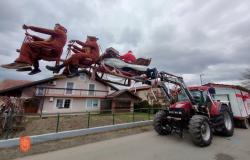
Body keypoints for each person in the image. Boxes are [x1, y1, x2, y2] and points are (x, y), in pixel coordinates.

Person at [1, 24, 67, 75]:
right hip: (51, 52)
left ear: (60, 27)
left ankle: (23, 62)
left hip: (51, 49)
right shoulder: (56, 37)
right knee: (34, 54)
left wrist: (30, 27)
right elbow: (45, 41)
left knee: (27, 45)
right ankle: (33, 68)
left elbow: (44, 30)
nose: (54, 28)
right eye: (54, 27)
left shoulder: (60, 32)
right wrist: (32, 36)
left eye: (56, 26)